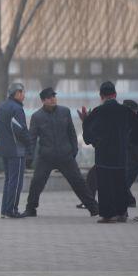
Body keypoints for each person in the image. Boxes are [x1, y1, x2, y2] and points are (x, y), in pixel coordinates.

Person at [22, 88, 98, 217]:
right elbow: (32, 138)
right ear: (43, 100)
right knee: (37, 182)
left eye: (54, 96)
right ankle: (31, 209)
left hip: (65, 156)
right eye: (49, 97)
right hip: (46, 157)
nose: (53, 99)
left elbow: (72, 133)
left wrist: (73, 150)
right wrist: (28, 157)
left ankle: (94, 208)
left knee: (78, 182)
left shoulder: (65, 112)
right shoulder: (37, 116)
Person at [79, 81, 138, 223]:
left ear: (101, 96)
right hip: (120, 154)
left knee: (105, 185)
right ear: (115, 94)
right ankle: (122, 213)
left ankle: (108, 215)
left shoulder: (97, 111)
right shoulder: (125, 111)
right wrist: (129, 141)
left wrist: (93, 139)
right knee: (120, 183)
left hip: (103, 155)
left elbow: (87, 134)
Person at [0, 82, 31, 219]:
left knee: (9, 180)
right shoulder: (17, 109)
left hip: (4, 149)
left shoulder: (1, 107)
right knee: (16, 182)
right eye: (22, 93)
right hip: (17, 150)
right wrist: (29, 144)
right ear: (16, 93)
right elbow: (21, 130)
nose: (24, 95)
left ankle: (5, 210)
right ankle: (12, 210)